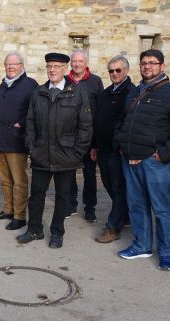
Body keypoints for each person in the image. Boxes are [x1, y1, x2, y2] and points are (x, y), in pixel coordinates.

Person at [114, 49, 170, 271]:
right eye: (144, 63)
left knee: (162, 209)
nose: (147, 66)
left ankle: (167, 253)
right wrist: (123, 147)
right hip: (130, 160)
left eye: (152, 63)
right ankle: (141, 246)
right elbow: (123, 121)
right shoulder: (135, 92)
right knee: (137, 206)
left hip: (156, 163)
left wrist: (163, 155)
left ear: (162, 66)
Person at [16, 52, 92, 248]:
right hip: (41, 153)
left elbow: (85, 126)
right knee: (37, 194)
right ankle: (34, 229)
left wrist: (77, 152)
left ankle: (57, 232)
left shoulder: (77, 92)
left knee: (62, 197)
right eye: (49, 66)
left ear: (65, 69)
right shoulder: (39, 92)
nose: (52, 70)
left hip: (66, 155)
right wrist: (32, 147)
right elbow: (30, 122)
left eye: (57, 66)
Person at [0, 52, 38, 230]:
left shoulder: (29, 85)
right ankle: (8, 209)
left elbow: (35, 110)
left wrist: (21, 123)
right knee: (5, 179)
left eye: (14, 64)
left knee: (19, 181)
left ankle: (19, 215)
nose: (10, 67)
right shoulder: (3, 85)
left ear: (21, 66)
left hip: (17, 141)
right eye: (8, 64)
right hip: (0, 139)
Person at [92, 55, 136, 243]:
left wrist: (122, 145)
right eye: (111, 71)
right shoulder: (107, 92)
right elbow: (98, 120)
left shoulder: (131, 92)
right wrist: (94, 145)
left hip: (117, 149)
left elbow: (129, 122)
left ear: (126, 71)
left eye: (118, 70)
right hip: (103, 148)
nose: (115, 74)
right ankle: (124, 215)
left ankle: (113, 227)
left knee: (118, 187)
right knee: (109, 184)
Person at [67, 49, 104, 221]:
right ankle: (70, 204)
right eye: (74, 61)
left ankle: (90, 207)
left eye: (80, 61)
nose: (77, 64)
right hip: (68, 137)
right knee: (69, 173)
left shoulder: (95, 82)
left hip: (88, 137)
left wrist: (96, 142)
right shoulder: (64, 80)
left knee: (89, 174)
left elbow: (100, 112)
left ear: (86, 62)